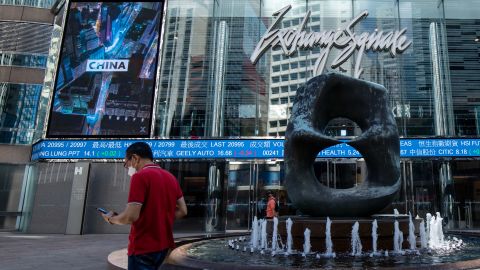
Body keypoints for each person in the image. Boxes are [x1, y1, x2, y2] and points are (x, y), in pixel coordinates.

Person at [102, 142, 187, 270]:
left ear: (135, 158)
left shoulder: (140, 177)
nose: (128, 167)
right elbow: (183, 211)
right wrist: (158, 217)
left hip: (143, 248)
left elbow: (130, 217)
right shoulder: (171, 177)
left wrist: (111, 219)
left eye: (126, 163)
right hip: (164, 246)